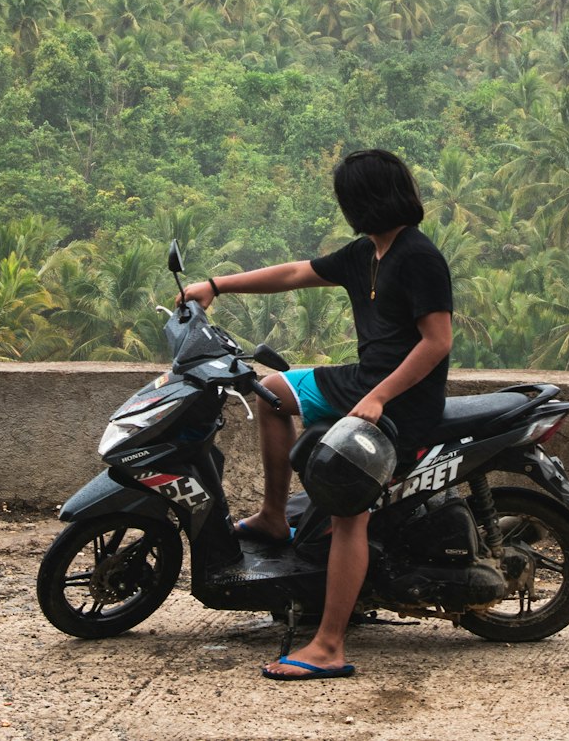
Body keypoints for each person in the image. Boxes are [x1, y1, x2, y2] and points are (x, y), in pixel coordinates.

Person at [183, 148, 453, 681]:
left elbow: (437, 342)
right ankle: (275, 515)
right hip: (360, 379)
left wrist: (379, 398)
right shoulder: (368, 254)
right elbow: (294, 273)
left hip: (402, 401)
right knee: (272, 391)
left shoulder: (419, 257)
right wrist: (216, 287)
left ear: (363, 201)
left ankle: (329, 644)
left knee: (347, 502)